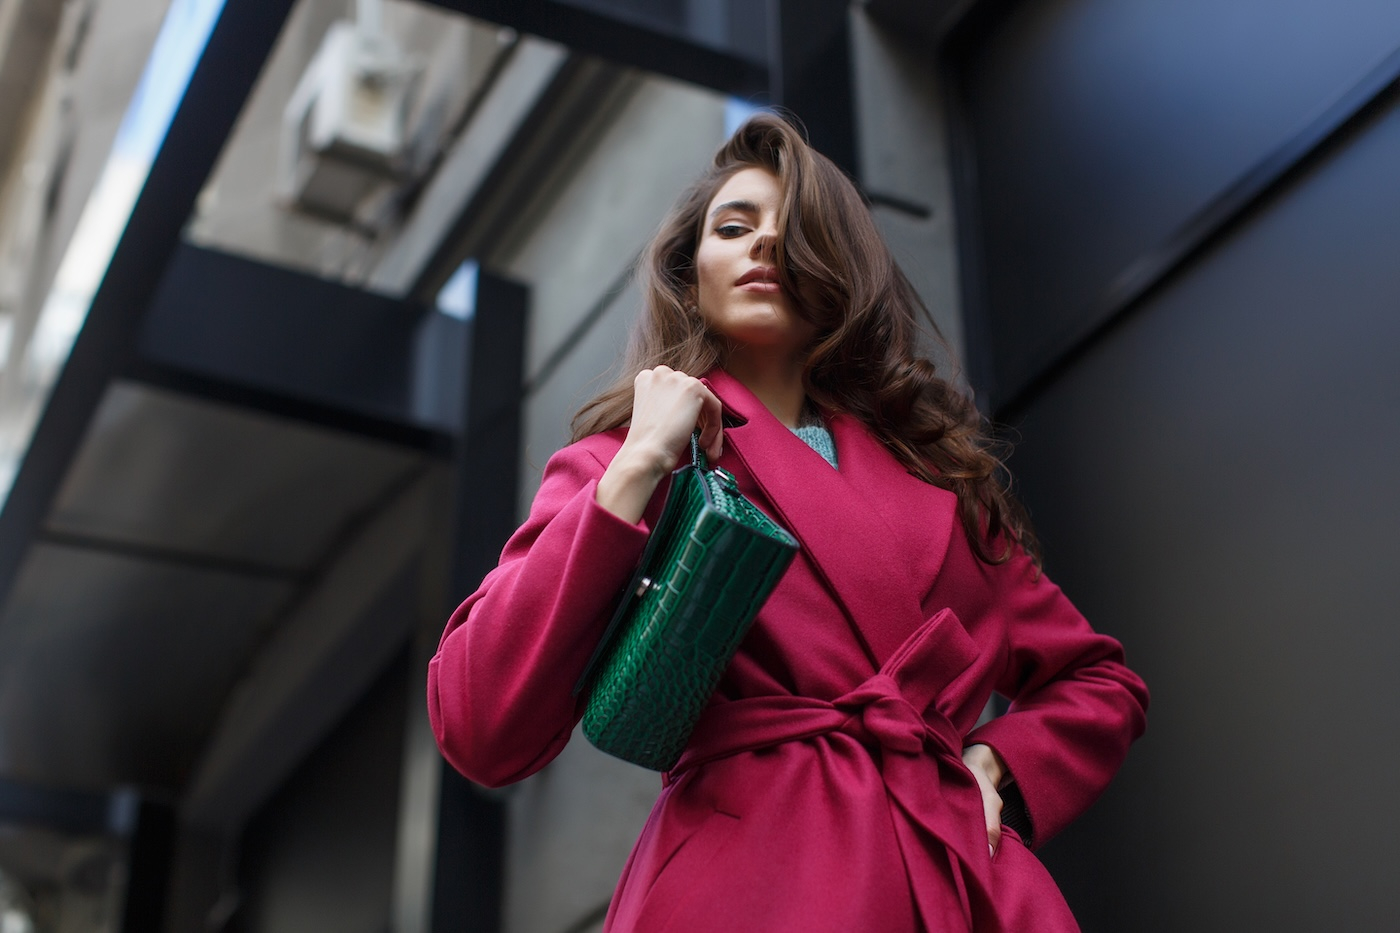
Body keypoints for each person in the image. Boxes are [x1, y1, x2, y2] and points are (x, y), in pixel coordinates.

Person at [428, 113, 1148, 932]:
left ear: (840, 274)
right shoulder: (630, 462)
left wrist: (997, 760)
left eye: (795, 230)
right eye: (733, 227)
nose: (764, 244)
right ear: (689, 271)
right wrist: (634, 466)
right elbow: (477, 721)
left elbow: (1098, 680)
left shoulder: (938, 478)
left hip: (953, 873)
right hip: (755, 881)